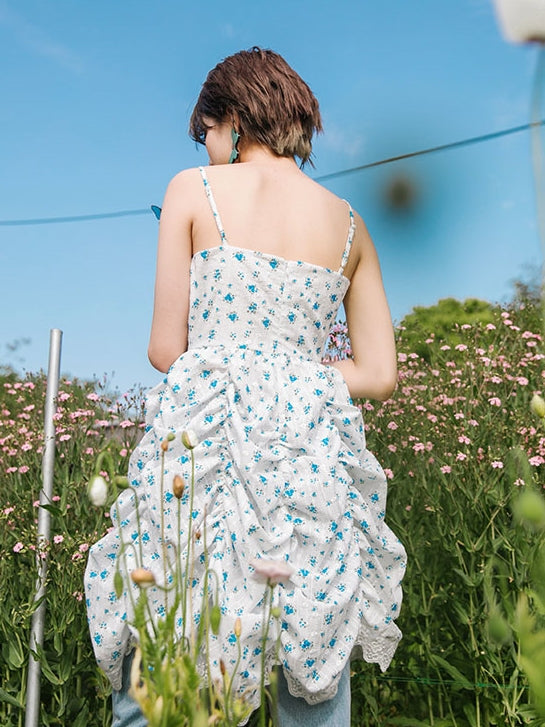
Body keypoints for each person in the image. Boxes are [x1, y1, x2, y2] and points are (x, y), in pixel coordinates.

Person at [85, 46, 406, 727]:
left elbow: (165, 347)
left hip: (205, 452)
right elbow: (377, 372)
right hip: (306, 460)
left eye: (205, 130)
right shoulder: (349, 225)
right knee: (309, 656)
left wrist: (239, 362)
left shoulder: (192, 189)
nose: (205, 146)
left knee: (166, 644)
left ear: (230, 118)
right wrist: (292, 373)